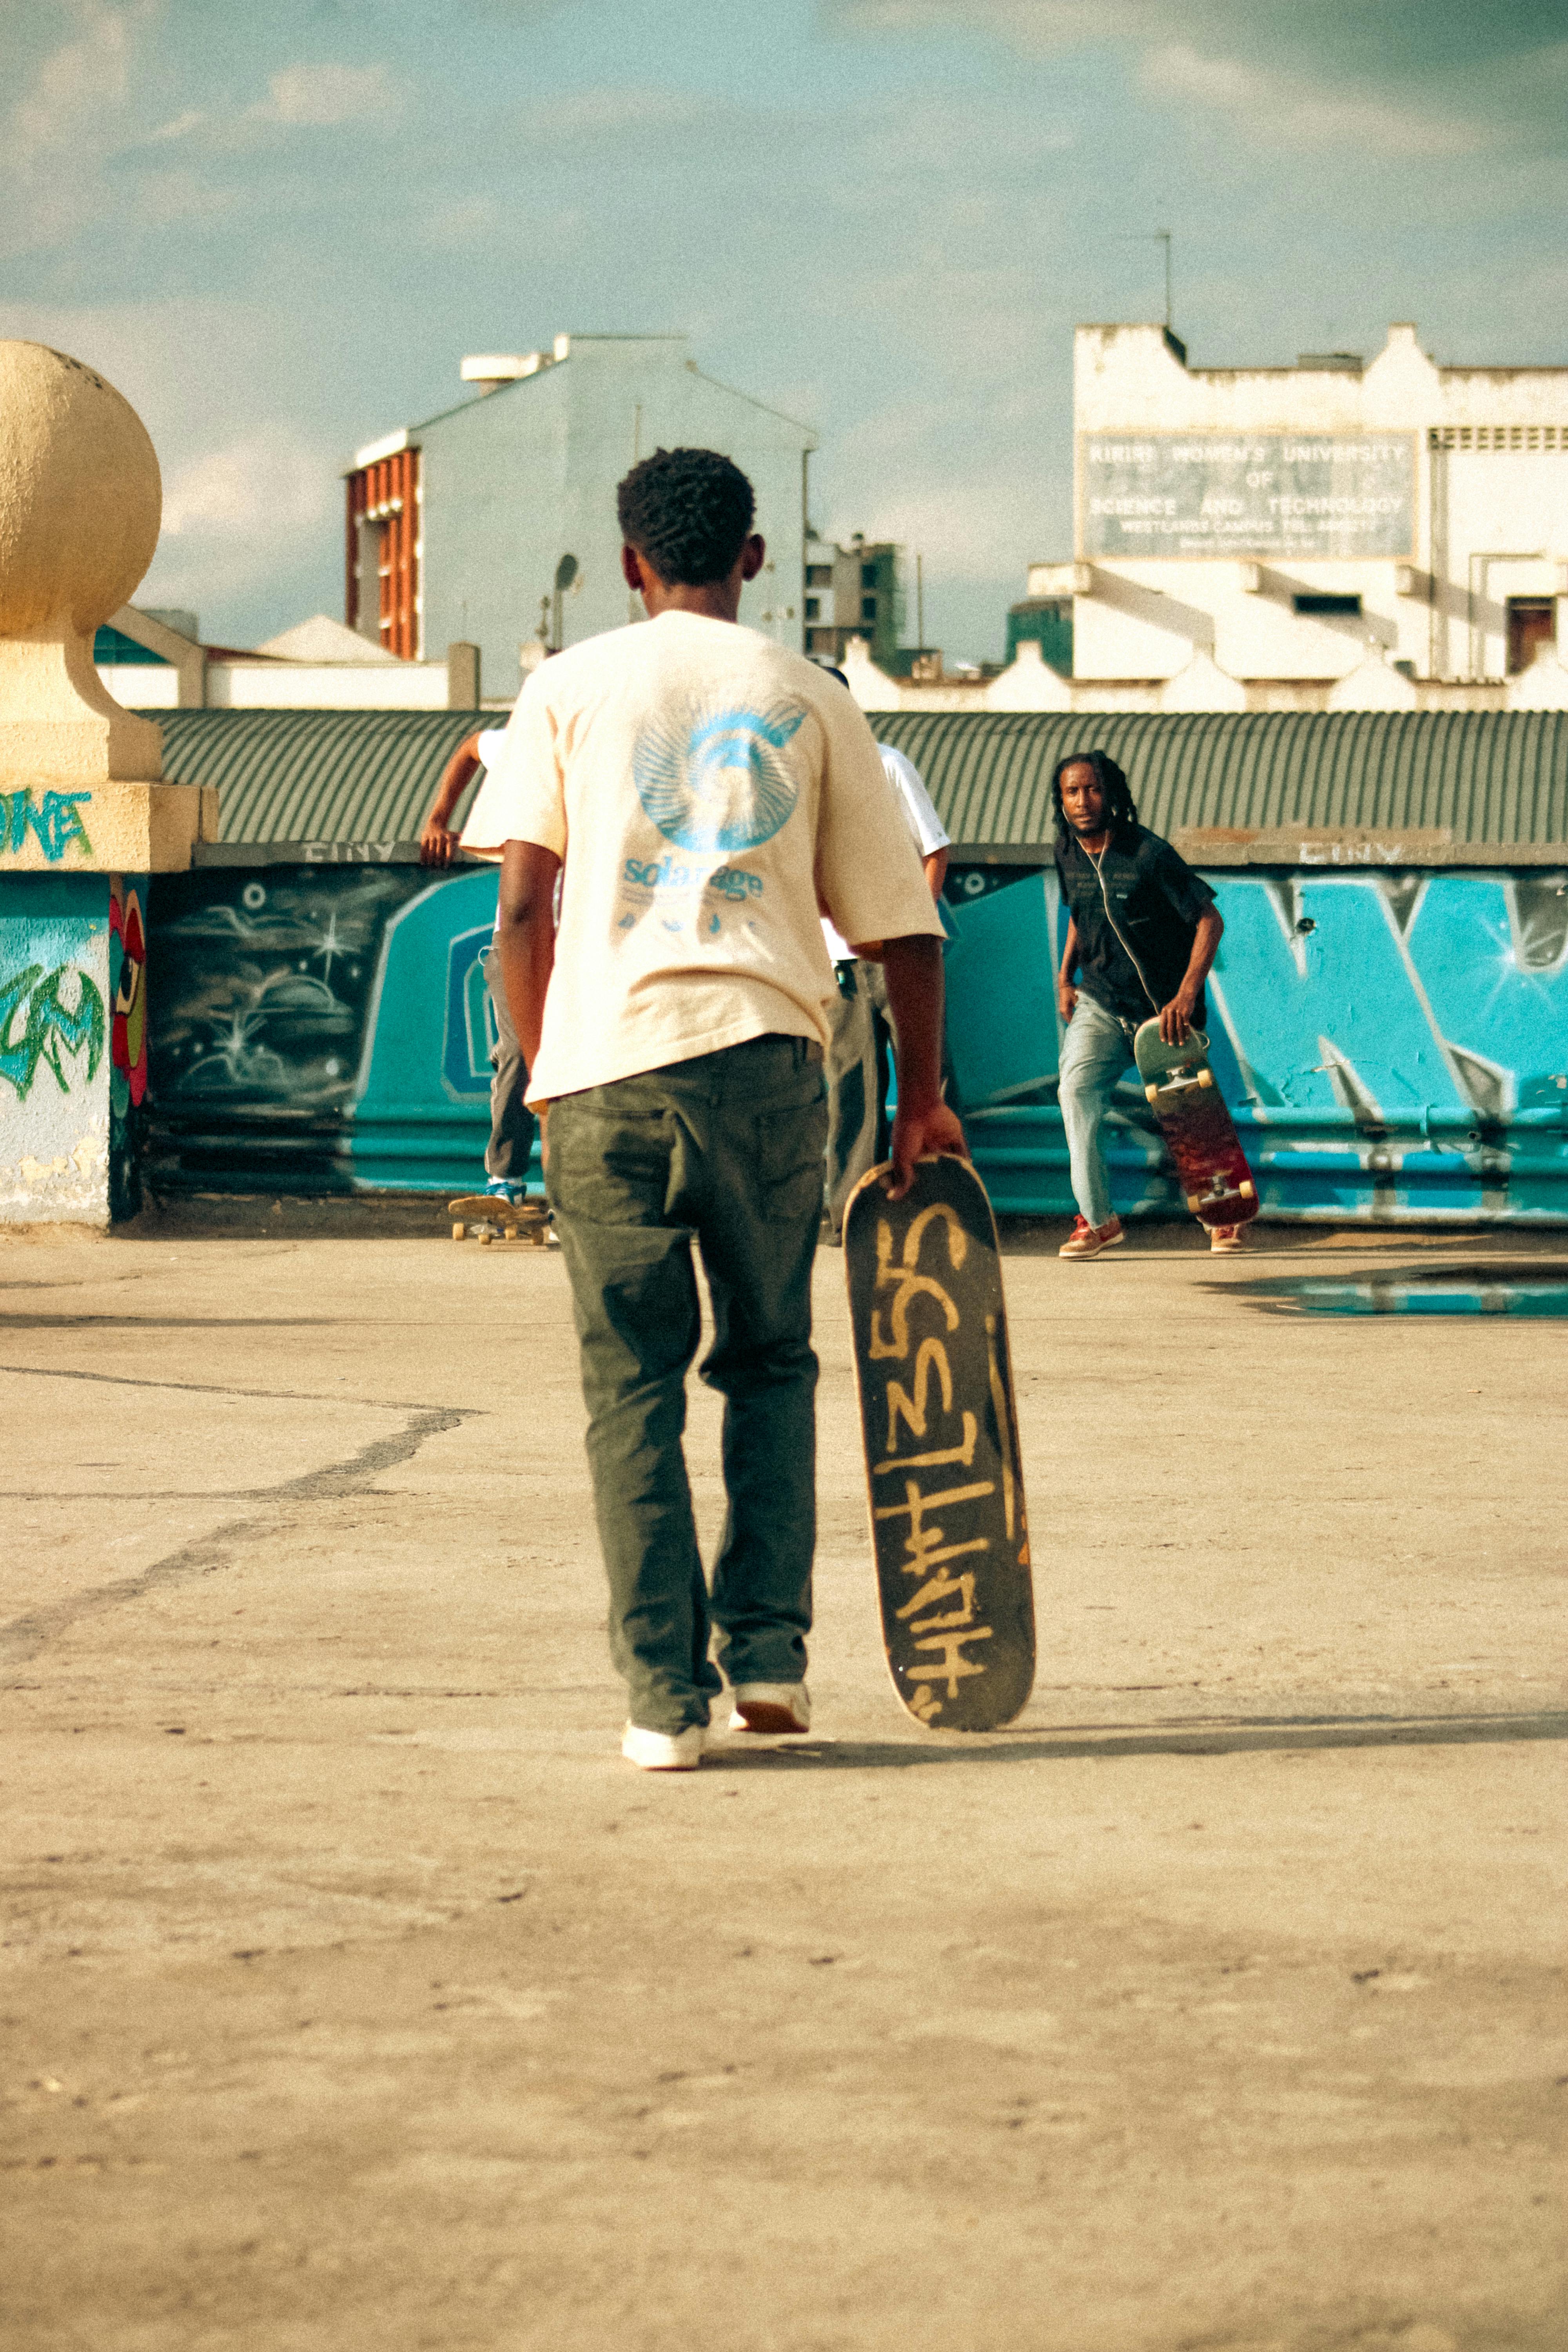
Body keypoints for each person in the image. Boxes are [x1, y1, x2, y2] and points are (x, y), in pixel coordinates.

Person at [460, 446, 963, 1770]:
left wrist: (541, 1061)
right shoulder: (810, 694)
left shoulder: (565, 689)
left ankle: (661, 1704)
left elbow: (519, 911)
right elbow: (904, 928)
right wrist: (922, 1108)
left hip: (602, 1079)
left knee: (629, 1390)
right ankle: (771, 1659)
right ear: (755, 558)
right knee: (769, 1361)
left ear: (631, 564)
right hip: (764, 1067)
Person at [1052, 748, 1236, 1258]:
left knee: (1186, 1109)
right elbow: (1079, 912)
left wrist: (1187, 993)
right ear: (1061, 800)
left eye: (1093, 789)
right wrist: (1065, 977)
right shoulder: (1067, 851)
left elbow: (1208, 920)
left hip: (1163, 1011)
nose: (1084, 800)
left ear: (1111, 794)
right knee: (1075, 1092)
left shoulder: (1147, 853)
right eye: (1073, 791)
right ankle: (1098, 1221)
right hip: (1101, 1005)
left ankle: (1223, 1216)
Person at [819, 706, 951, 1242]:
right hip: (837, 963)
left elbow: (936, 849)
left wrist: (915, 931)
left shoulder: (888, 764)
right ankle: (850, 1214)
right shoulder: (796, 776)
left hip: (898, 954)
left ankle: (942, 1201)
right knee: (848, 1091)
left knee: (929, 1078)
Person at [421, 729, 535, 1206]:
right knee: (519, 1054)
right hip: (516, 940)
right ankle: (505, 1178)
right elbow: (471, 746)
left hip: (586, 944)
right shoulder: (528, 745)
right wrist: (437, 818)